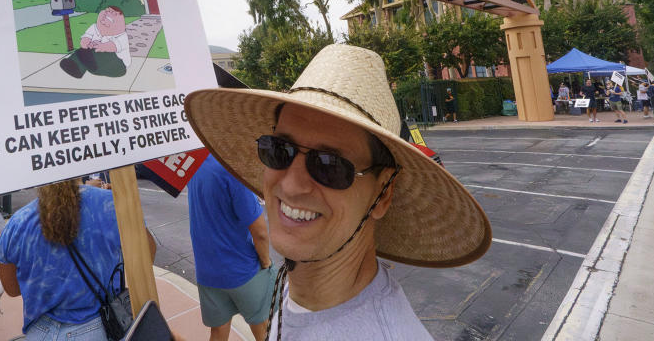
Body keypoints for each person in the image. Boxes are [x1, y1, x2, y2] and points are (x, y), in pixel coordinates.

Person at [185, 44, 491, 341]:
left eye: (329, 165)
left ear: (382, 194)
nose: (291, 185)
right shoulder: (301, 291)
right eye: (279, 149)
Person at [0, 178, 156, 340]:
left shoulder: (18, 222)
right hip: (99, 329)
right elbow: (146, 255)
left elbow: (12, 289)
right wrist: (126, 206)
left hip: (40, 332)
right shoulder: (109, 204)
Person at [188, 154, 276, 341]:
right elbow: (260, 232)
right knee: (262, 328)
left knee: (219, 331)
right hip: (241, 271)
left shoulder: (194, 165)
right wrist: (266, 262)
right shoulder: (231, 171)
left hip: (207, 272)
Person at [60, 6, 132, 79]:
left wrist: (101, 46)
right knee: (82, 50)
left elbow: (114, 46)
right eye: (107, 11)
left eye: (113, 14)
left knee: (92, 52)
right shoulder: (94, 27)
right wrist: (87, 44)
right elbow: (85, 39)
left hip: (118, 66)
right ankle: (75, 68)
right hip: (95, 62)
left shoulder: (122, 36)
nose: (107, 13)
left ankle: (89, 65)